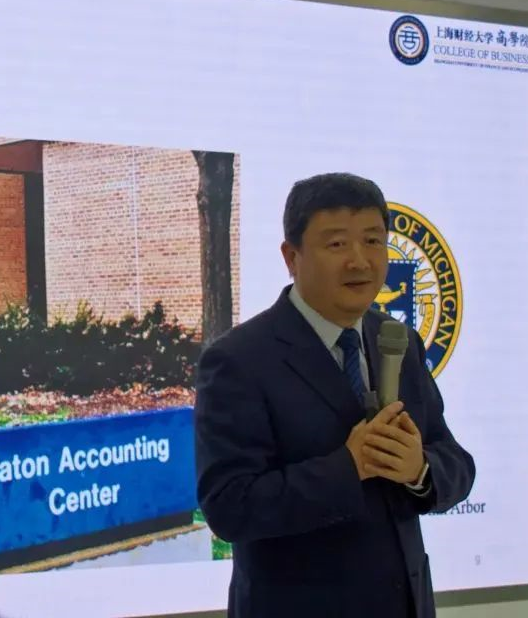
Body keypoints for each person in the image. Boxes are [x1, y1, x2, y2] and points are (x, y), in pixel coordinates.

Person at [194, 172, 475, 618]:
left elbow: (455, 460)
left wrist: (419, 469)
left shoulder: (398, 340)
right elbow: (229, 506)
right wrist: (350, 466)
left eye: (373, 241)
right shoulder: (239, 360)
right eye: (338, 244)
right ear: (292, 257)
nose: (360, 261)